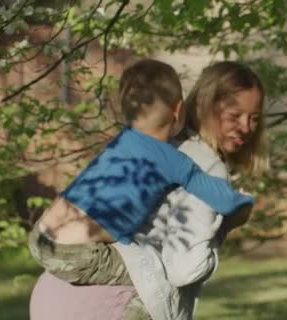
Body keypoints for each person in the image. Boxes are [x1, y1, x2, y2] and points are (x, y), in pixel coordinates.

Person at [30, 60, 267, 320]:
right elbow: (184, 268)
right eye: (234, 116)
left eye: (254, 118)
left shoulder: (133, 142)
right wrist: (228, 221)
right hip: (111, 305)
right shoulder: (202, 164)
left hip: (54, 286)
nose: (246, 127)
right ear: (201, 106)